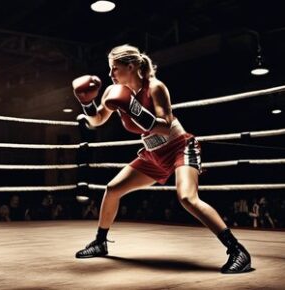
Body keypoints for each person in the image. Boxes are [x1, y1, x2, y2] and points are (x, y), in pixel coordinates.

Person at [72, 44, 251, 273]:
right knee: (113, 188)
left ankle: (238, 251)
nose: (110, 75)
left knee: (187, 198)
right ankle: (100, 242)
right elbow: (97, 120)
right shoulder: (111, 92)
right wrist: (87, 103)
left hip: (180, 147)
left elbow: (165, 127)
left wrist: (134, 108)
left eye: (114, 69)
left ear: (131, 66)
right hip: (153, 155)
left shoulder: (156, 88)